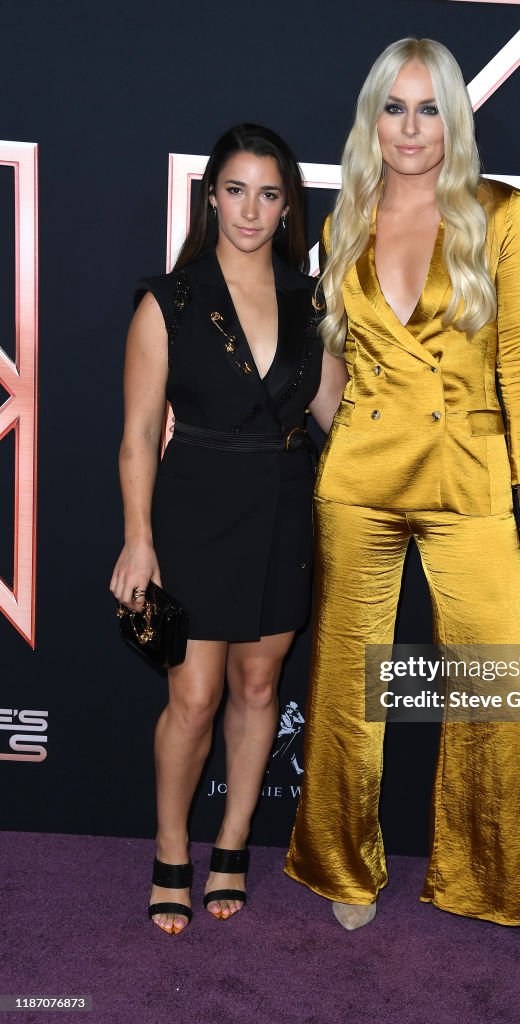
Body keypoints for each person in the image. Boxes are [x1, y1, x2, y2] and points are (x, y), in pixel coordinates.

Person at [284, 40, 520, 967]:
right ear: (374, 118)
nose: (411, 129)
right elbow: (332, 358)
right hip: (361, 477)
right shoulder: (344, 220)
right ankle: (342, 867)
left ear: (454, 117)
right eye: (394, 109)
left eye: (429, 108)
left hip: (469, 471)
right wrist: (347, 434)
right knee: (343, 689)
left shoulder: (498, 214)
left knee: (506, 692)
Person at [110, 123, 346, 935]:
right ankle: (172, 849)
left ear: (288, 209)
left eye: (269, 193)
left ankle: (235, 844)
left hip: (284, 505)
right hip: (195, 509)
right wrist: (139, 538)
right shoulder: (167, 299)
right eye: (236, 189)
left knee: (256, 689)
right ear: (211, 196)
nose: (251, 209)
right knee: (196, 696)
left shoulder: (307, 301)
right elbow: (140, 434)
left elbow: (340, 419)